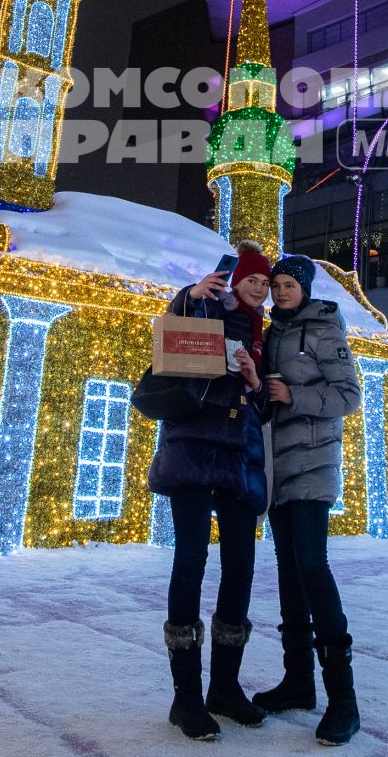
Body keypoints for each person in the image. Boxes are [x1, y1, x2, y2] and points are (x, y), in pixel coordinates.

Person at [147, 240, 271, 741]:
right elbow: (172, 332)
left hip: (240, 452)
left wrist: (254, 379)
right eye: (253, 281)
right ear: (233, 280)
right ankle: (186, 699)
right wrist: (190, 292)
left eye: (265, 282)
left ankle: (225, 687)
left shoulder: (264, 329)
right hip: (195, 447)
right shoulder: (204, 304)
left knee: (241, 564)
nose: (260, 290)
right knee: (192, 560)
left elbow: (261, 393)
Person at [253, 254, 363, 747]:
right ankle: (298, 681)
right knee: (288, 570)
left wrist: (294, 396)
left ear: (305, 287)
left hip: (313, 466)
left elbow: (348, 395)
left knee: (312, 567)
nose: (279, 292)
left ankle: (344, 699)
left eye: (287, 285)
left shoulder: (323, 329)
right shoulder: (271, 333)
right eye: (275, 285)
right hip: (277, 467)